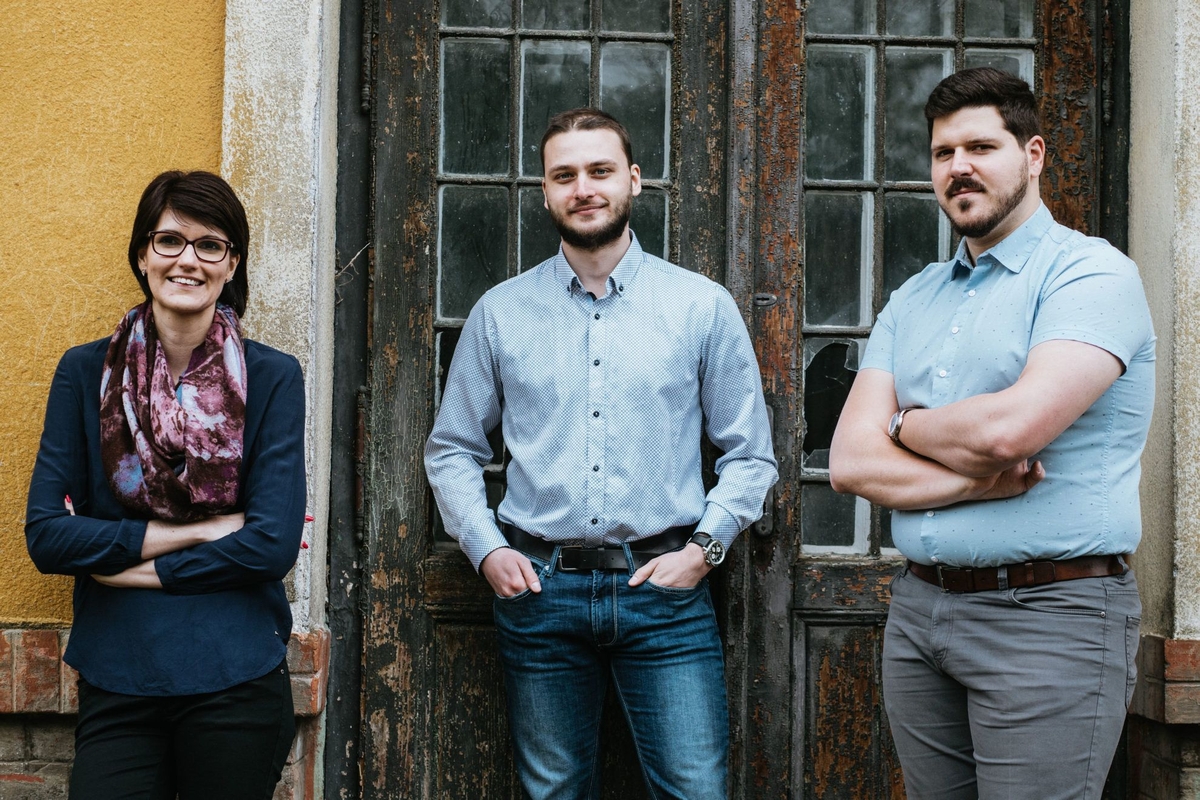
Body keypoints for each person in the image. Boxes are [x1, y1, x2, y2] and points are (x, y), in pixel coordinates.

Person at [424, 108, 777, 799]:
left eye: (600, 171)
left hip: (666, 595)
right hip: (539, 595)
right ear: (546, 193)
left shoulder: (700, 307)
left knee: (696, 791)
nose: (583, 188)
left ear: (633, 180)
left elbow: (750, 455)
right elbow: (453, 449)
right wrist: (486, 549)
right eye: (565, 175)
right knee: (553, 792)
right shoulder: (501, 313)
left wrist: (703, 552)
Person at [829, 68, 1154, 799]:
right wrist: (974, 485)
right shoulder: (914, 297)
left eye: (980, 147)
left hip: (1049, 615)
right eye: (943, 153)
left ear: (1032, 155)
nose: (959, 168)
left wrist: (903, 424)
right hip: (921, 614)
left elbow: (1010, 433)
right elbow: (850, 462)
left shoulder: (1090, 276)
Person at [25, 170, 306, 800]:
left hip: (236, 673)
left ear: (231, 264)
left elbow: (270, 545)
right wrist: (200, 532)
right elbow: (47, 536)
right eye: (170, 240)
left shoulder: (272, 378)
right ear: (142, 255)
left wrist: (128, 567)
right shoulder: (83, 374)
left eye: (210, 245)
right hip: (119, 673)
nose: (188, 260)